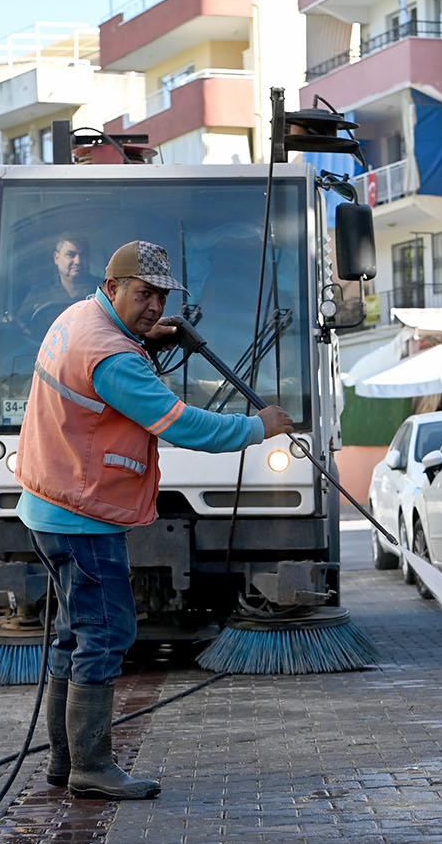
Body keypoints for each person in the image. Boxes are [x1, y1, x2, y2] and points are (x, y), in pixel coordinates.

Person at [17, 240, 295, 800]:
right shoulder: (112, 356)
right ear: (114, 286)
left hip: (49, 501)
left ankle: (64, 763)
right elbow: (181, 424)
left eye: (162, 295)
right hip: (82, 513)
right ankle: (91, 767)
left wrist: (147, 334)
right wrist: (259, 427)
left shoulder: (78, 317)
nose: (154, 305)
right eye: (144, 294)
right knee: (105, 634)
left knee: (75, 635)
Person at [19, 233, 94, 343]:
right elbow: (21, 328)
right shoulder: (39, 294)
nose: (78, 261)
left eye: (82, 255)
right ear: (56, 258)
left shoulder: (102, 290)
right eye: (71, 255)